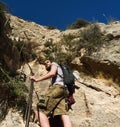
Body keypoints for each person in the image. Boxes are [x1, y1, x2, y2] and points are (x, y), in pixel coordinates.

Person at [30, 59, 72, 127]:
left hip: (57, 88)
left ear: (51, 62)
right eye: (44, 63)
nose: (46, 64)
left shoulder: (54, 64)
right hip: (64, 91)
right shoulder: (62, 71)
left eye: (47, 62)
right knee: (63, 113)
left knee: (40, 109)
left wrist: (37, 79)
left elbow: (52, 73)